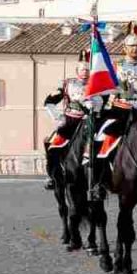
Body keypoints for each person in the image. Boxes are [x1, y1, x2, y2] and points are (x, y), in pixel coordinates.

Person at [90, 22, 137, 199]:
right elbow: (104, 88)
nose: (135, 49)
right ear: (124, 48)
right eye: (132, 46)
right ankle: (98, 181)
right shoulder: (115, 66)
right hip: (120, 110)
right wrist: (96, 101)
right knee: (100, 138)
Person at [42, 50, 96, 189]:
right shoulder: (68, 84)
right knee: (53, 146)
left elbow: (106, 102)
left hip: (89, 121)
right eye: (82, 69)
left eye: (87, 70)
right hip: (70, 121)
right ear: (77, 70)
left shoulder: (97, 84)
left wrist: (95, 106)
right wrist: (58, 117)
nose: (85, 72)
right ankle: (52, 176)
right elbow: (49, 102)